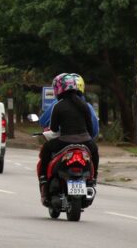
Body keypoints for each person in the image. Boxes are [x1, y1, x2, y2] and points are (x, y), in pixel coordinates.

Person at [38, 73, 100, 202]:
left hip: (64, 142)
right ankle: (94, 178)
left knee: (46, 150)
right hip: (85, 142)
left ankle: (43, 178)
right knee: (95, 152)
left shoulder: (58, 106)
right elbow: (90, 129)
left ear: (59, 89)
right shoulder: (85, 105)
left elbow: (54, 128)